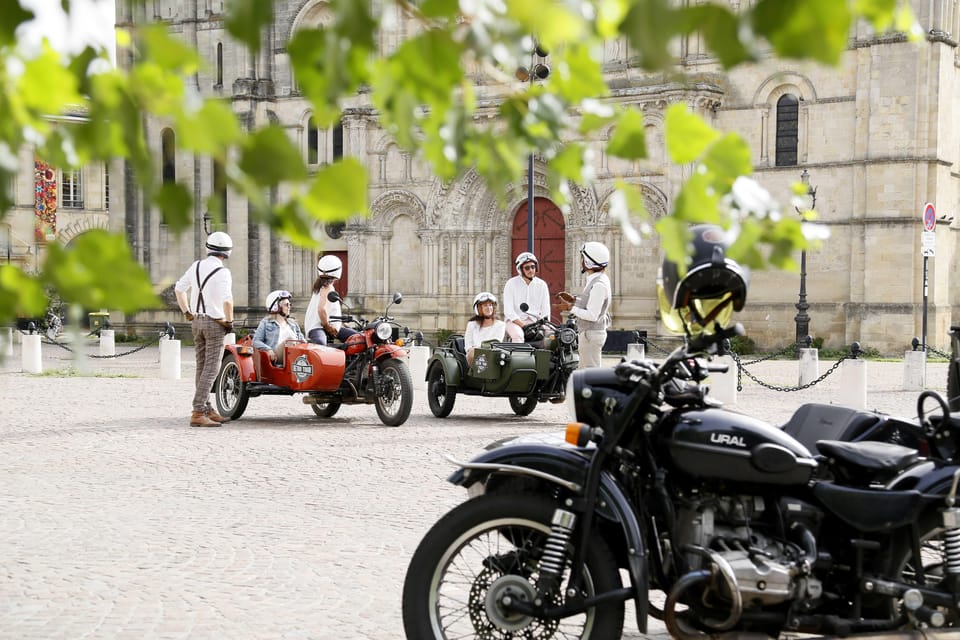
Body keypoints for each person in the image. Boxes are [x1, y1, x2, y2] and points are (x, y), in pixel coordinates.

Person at [175, 231, 235, 427]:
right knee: (212, 368)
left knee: (201, 366)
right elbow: (227, 300)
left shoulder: (196, 266)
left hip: (197, 321)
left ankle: (207, 408)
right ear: (227, 252)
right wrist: (229, 321)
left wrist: (187, 312)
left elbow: (179, 289)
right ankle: (198, 410)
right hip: (215, 323)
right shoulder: (223, 272)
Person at [555, 241, 612, 369]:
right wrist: (574, 299)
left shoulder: (598, 285)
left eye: (583, 258)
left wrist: (571, 308)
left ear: (588, 262)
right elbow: (590, 303)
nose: (581, 260)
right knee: (584, 372)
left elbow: (592, 315)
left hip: (591, 335)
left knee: (591, 373)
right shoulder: (597, 280)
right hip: (589, 334)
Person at [304, 254, 358, 344]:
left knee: (357, 337)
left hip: (332, 326)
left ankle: (347, 357)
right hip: (318, 327)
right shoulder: (327, 287)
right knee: (321, 344)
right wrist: (327, 326)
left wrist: (343, 323)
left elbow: (329, 311)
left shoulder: (320, 286)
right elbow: (321, 310)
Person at [502, 251, 551, 343]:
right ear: (520, 269)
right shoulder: (511, 284)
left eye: (533, 267)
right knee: (518, 336)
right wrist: (523, 325)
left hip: (535, 323)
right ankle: (518, 357)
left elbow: (546, 310)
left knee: (552, 337)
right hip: (515, 322)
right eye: (527, 268)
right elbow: (508, 311)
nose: (531, 270)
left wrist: (545, 327)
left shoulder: (542, 285)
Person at [252, 289, 305, 367]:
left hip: (295, 355)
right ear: (276, 306)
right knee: (290, 340)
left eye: (290, 304)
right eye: (286, 304)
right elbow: (256, 341)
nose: (289, 307)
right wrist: (268, 349)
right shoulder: (266, 323)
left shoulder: (293, 324)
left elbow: (303, 341)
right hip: (276, 356)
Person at [464, 291, 506, 366]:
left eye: (490, 305)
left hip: (492, 356)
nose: (489, 308)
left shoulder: (501, 325)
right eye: (485, 305)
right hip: (474, 356)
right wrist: (475, 350)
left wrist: (479, 349)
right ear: (479, 308)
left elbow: (496, 342)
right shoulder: (471, 325)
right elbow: (468, 345)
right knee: (472, 352)